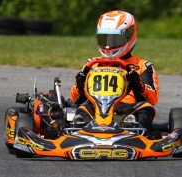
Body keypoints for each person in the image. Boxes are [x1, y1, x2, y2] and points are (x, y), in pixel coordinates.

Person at [69, 10, 160, 139]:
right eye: (104, 38)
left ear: (129, 36)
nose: (108, 45)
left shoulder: (142, 66)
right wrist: (79, 85)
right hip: (96, 109)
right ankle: (78, 132)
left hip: (128, 110)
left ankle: (136, 134)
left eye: (114, 39)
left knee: (145, 108)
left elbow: (153, 99)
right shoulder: (92, 64)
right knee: (82, 109)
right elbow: (74, 99)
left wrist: (138, 85)